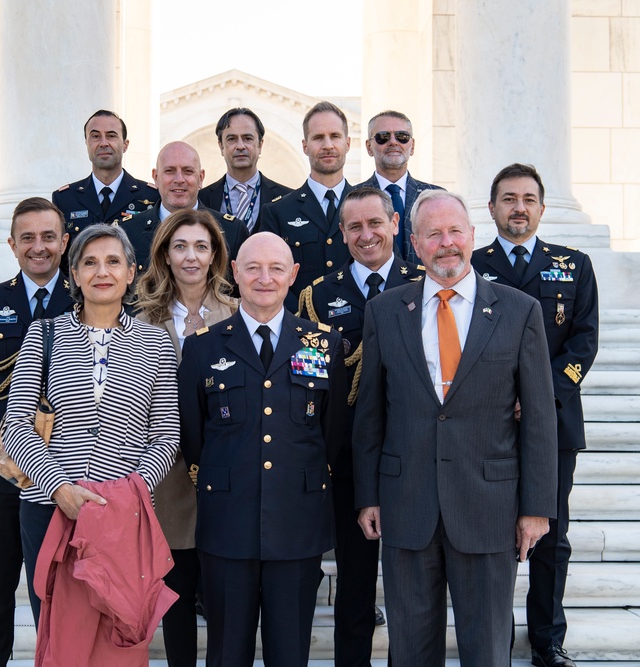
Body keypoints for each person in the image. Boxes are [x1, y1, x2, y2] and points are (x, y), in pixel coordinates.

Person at [353, 189, 558, 666]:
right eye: (433, 234)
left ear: (471, 236)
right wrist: (368, 494)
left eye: (454, 232)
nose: (446, 243)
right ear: (415, 242)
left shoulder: (519, 310)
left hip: (489, 507)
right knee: (410, 649)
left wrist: (536, 509)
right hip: (407, 506)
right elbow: (370, 414)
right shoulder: (386, 311)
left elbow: (541, 419)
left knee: (486, 647)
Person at [178, 232, 347, 667]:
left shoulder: (324, 346)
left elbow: (331, 435)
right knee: (226, 654)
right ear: (235, 272)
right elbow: (194, 438)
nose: (264, 278)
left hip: (297, 524)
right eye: (252, 267)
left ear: (293, 275)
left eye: (276, 268)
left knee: (289, 654)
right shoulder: (202, 348)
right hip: (227, 525)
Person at [1, 223, 179, 634]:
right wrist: (58, 488)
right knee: (58, 632)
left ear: (131, 272)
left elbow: (167, 434)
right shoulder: (44, 334)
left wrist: (127, 493)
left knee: (116, 631)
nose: (103, 272)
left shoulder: (156, 343)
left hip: (122, 514)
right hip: (50, 508)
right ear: (74, 275)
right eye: (90, 263)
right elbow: (18, 424)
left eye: (114, 261)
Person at [472, 163, 600, 667]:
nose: (518, 207)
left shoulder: (574, 264)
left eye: (527, 198)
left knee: (551, 533)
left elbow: (584, 341)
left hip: (554, 423)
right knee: (491, 537)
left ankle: (547, 639)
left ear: (542, 208)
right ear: (492, 209)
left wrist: (539, 395)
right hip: (489, 423)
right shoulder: (471, 266)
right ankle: (494, 637)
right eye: (508, 198)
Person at [297, 186, 424, 667]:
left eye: (375, 223)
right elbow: (308, 381)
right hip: (348, 458)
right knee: (353, 585)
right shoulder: (315, 297)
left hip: (414, 452)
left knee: (413, 586)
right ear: (342, 234)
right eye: (355, 227)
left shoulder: (425, 284)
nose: (366, 235)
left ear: (395, 225)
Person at [0, 197, 74, 667]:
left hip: (64, 467)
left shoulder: (88, 296)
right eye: (28, 237)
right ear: (12, 244)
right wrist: (8, 445)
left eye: (49, 236)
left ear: (65, 242)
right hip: (0, 473)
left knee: (57, 588)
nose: (39, 247)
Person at [134, 208, 238, 667]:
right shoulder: (138, 322)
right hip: (166, 481)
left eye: (201, 246)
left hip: (225, 478)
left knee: (222, 606)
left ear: (215, 254)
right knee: (174, 605)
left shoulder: (238, 314)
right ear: (165, 255)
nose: (191, 256)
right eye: (180, 246)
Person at [261, 101, 353, 310]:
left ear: (348, 143)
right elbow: (270, 276)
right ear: (305, 145)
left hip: (359, 330)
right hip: (302, 331)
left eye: (335, 136)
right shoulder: (278, 212)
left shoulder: (367, 207)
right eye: (318, 137)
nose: (328, 145)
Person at [52, 109, 159, 272]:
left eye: (111, 135)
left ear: (125, 145)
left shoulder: (151, 196)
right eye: (95, 136)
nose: (103, 143)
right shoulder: (65, 199)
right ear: (86, 143)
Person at [119, 141, 248, 276]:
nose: (179, 179)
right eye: (170, 171)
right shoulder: (128, 232)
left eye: (188, 171)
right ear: (156, 177)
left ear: (201, 177)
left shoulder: (232, 232)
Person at [355, 110, 444, 264]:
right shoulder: (353, 197)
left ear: (412, 145)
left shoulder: (437, 196)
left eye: (402, 137)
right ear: (369, 147)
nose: (393, 142)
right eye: (383, 137)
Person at [198, 107, 293, 233]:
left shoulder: (288, 198)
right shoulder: (201, 200)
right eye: (231, 139)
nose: (240, 146)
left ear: (260, 145)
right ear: (221, 146)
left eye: (248, 138)